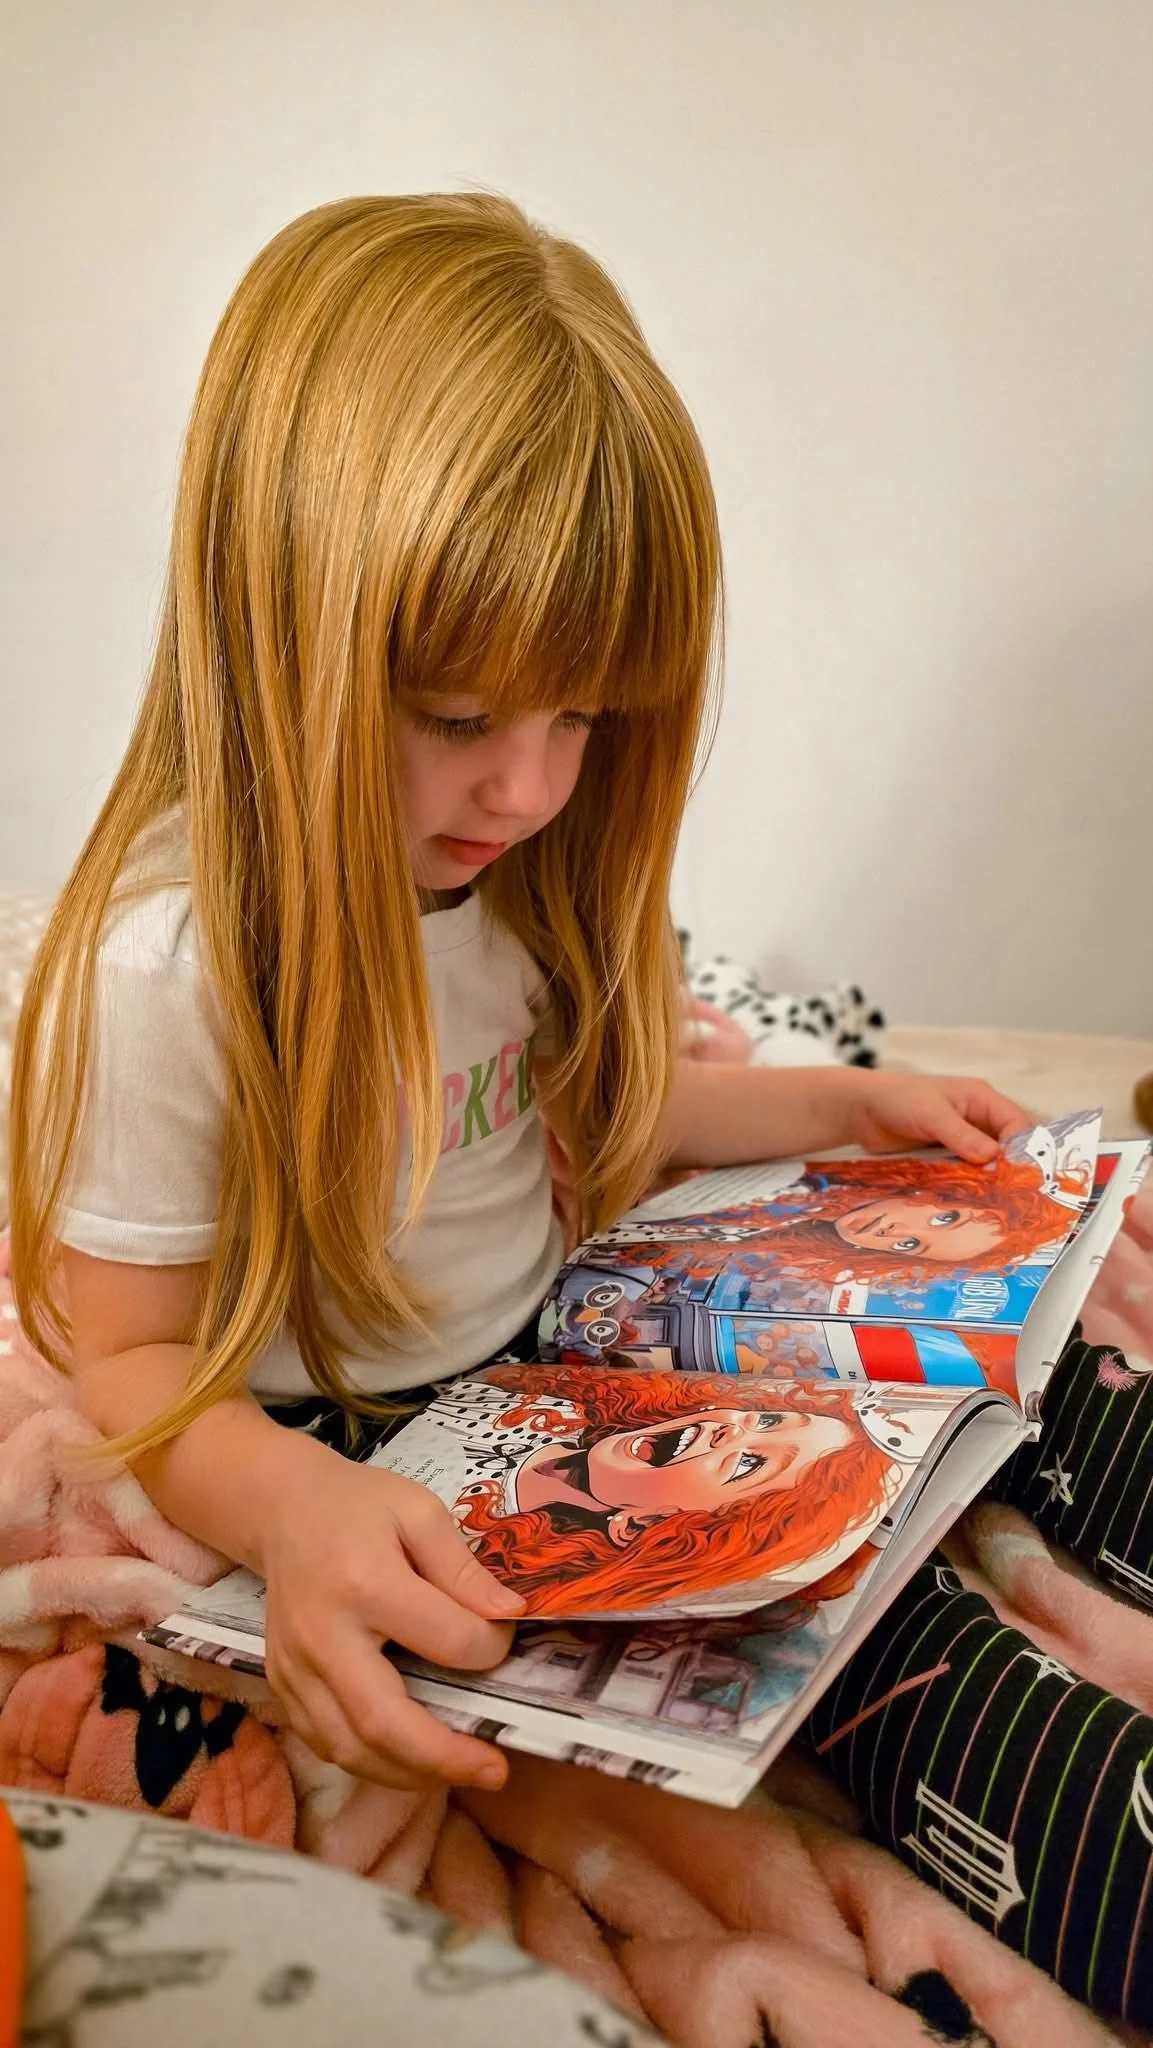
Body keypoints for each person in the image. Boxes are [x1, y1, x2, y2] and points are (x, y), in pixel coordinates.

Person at [8, 192, 1029, 1799]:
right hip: (339, 1434)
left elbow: (575, 1100)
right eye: (462, 712)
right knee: (888, 1681)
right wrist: (287, 1509)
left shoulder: (512, 872)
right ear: (277, 639)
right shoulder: (173, 969)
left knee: (999, 1404)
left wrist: (844, 1107)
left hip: (556, 1350)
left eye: (585, 719)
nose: (532, 786)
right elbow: (123, 1362)